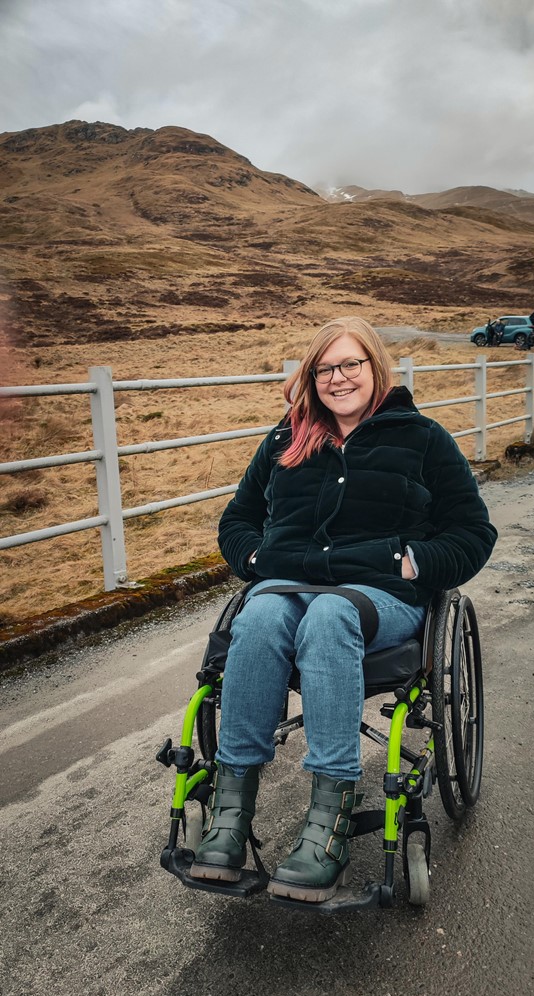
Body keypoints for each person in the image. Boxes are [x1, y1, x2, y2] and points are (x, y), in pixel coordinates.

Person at [190, 317, 497, 902]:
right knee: (255, 617)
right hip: (286, 587)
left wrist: (414, 564)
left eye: (350, 364)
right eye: (325, 368)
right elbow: (237, 519)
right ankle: (231, 815)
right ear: (312, 377)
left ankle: (328, 822)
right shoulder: (287, 440)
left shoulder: (422, 439)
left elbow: (473, 532)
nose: (338, 378)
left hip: (377, 596)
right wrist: (255, 558)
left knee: (330, 617)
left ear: (375, 367)